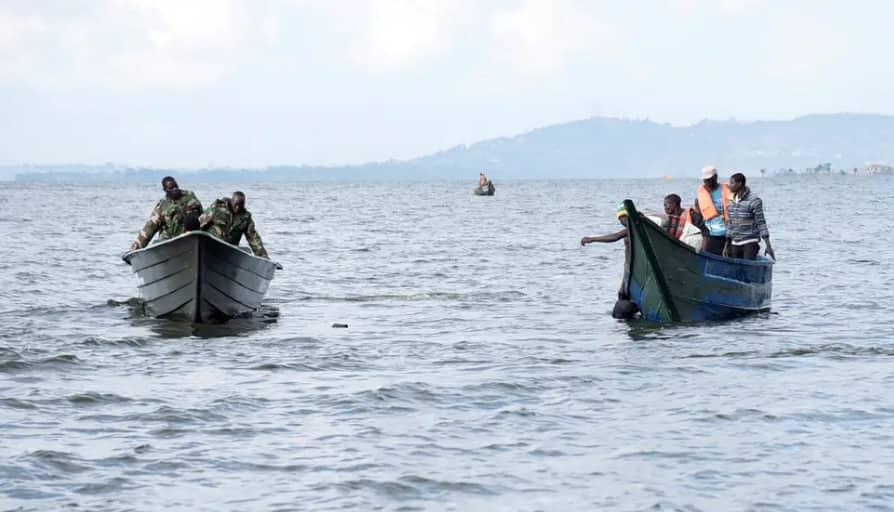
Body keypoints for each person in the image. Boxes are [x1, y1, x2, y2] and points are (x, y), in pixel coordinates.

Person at [130, 176, 203, 250]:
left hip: (193, 237)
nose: (175, 189)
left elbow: (202, 216)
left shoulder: (190, 196)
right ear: (165, 190)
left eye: (176, 186)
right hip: (171, 241)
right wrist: (134, 249)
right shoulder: (162, 206)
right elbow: (149, 228)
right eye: (171, 188)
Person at [199, 191, 269, 258]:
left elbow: (253, 237)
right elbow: (200, 223)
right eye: (236, 205)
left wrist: (262, 256)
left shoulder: (245, 217)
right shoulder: (217, 208)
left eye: (240, 205)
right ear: (232, 201)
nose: (237, 208)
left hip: (230, 250)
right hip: (211, 245)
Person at [724, 173, 775, 260]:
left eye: (732, 183)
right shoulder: (730, 201)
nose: (729, 186)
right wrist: (726, 245)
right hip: (734, 243)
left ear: (740, 183)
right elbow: (730, 223)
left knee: (747, 268)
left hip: (750, 242)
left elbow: (761, 223)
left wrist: (768, 245)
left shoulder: (754, 201)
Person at [693, 165, 730, 255]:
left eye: (709, 179)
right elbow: (700, 213)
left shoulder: (726, 190)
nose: (707, 182)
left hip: (727, 233)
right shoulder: (701, 194)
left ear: (715, 177)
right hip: (711, 234)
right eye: (705, 180)